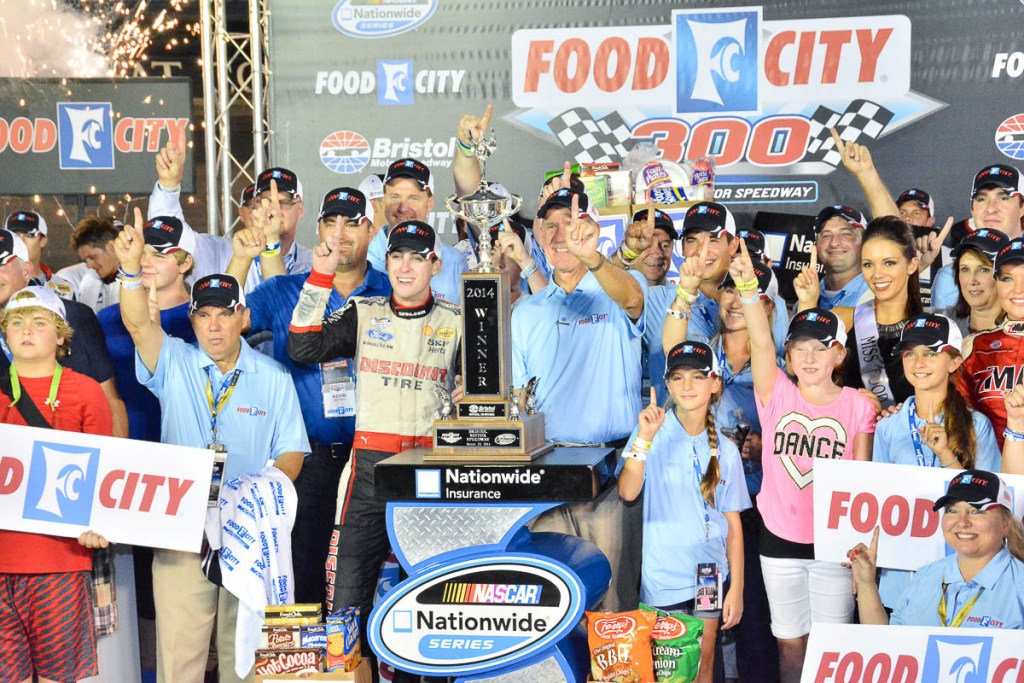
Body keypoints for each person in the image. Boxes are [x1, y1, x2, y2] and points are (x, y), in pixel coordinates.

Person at [115, 209, 308, 682]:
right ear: (193, 319)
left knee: (245, 661)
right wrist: (129, 272)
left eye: (225, 314)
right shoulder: (174, 361)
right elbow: (139, 325)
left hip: (248, 530)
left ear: (244, 317)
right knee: (180, 661)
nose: (214, 326)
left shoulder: (274, 377)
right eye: (204, 315)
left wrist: (261, 492)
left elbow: (292, 451)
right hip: (183, 529)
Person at [287, 220, 460, 676]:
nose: (405, 267)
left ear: (435, 265)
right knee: (346, 601)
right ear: (387, 262)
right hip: (370, 467)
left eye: (417, 258)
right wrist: (320, 277)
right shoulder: (363, 312)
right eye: (397, 256)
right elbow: (302, 348)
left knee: (432, 597)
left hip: (430, 468)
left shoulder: (457, 320)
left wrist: (470, 394)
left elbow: (483, 391)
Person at [228, 187, 391, 607]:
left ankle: (367, 649)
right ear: (317, 229)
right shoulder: (284, 290)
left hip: (376, 456)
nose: (340, 233)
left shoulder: (392, 290)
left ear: (371, 231)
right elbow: (226, 322)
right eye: (330, 222)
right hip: (307, 457)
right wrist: (242, 259)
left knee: (375, 572)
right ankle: (307, 651)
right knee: (302, 571)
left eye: (352, 223)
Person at [735, 238, 875, 683]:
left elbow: (863, 482)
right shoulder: (776, 393)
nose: (810, 356)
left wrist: (861, 552)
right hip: (779, 539)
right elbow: (760, 341)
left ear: (840, 354)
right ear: (789, 356)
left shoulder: (859, 405)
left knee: (831, 649)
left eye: (821, 347)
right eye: (800, 347)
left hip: (835, 544)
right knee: (790, 645)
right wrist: (747, 289)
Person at [511, 188, 646, 612]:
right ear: (538, 234)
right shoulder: (525, 312)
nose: (560, 235)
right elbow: (517, 401)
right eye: (549, 225)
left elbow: (633, 299)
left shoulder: (617, 288)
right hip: (544, 475)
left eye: (569, 224)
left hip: (610, 476)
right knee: (548, 607)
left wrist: (594, 259)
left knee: (615, 611)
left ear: (591, 230)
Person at [618, 342, 750, 683]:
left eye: (697, 376)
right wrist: (644, 438)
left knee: (704, 666)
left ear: (715, 383)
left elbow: (732, 524)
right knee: (669, 673)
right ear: (667, 385)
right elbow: (627, 491)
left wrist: (736, 588)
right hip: (663, 574)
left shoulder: (726, 449)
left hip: (709, 575)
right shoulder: (650, 434)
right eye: (677, 377)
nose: (687, 386)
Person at [0, 285, 113, 683]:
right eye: (17, 323)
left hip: (60, 562)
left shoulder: (85, 392)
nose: (26, 331)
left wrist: (103, 523)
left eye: (39, 322)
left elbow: (106, 475)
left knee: (56, 677)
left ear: (62, 336)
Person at [872, 313, 1001, 610]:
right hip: (900, 575)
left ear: (954, 362)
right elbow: (877, 500)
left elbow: (991, 506)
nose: (918, 363)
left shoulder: (977, 425)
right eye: (910, 354)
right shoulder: (888, 426)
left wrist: (946, 455)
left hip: (961, 572)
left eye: (931, 353)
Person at [849, 469, 1024, 628]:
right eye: (953, 511)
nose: (962, 522)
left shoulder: (1019, 587)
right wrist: (866, 583)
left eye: (976, 511)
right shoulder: (925, 576)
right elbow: (889, 644)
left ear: (1005, 524)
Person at [0, 229, 127, 438]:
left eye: (1, 264)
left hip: (73, 453)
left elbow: (110, 399)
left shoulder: (74, 316)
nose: (27, 330)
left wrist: (116, 455)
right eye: (17, 324)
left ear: (26, 270)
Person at [148, 136, 313, 292]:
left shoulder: (313, 262)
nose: (273, 210)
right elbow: (166, 234)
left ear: (301, 209)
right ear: (253, 208)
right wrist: (168, 185)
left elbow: (282, 306)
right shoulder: (217, 252)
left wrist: (271, 241)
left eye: (284, 202)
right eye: (265, 201)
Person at [802, 216, 923, 408]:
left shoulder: (929, 330)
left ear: (912, 264)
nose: (877, 274)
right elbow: (798, 367)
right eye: (868, 264)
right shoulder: (843, 319)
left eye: (889, 263)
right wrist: (807, 302)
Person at [365, 157, 469, 303]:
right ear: (384, 200)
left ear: (430, 203)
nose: (403, 208)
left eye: (413, 198)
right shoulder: (362, 258)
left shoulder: (454, 261)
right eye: (395, 197)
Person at [958, 237, 1024, 449]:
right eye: (1007, 279)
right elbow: (955, 418)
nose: (1018, 289)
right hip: (987, 465)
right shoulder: (973, 347)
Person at [930, 164, 1024, 308]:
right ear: (972, 209)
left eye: (1003, 198)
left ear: (1022, 207)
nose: (991, 209)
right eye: (981, 199)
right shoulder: (949, 277)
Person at [931, 228, 1007, 336]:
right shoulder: (941, 323)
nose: (972, 281)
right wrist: (918, 268)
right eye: (965, 269)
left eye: (983, 270)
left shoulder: (1018, 330)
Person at [811, 205, 871, 311]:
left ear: (865, 242)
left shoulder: (877, 292)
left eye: (846, 234)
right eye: (826, 235)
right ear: (816, 245)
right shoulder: (807, 295)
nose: (834, 243)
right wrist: (808, 303)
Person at [56, 216, 122, 313]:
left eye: (92, 257)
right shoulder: (89, 280)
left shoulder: (138, 279)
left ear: (111, 247)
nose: (90, 265)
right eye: (86, 260)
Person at [5, 210, 75, 299]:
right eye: (15, 236)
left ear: (43, 241)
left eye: (29, 235)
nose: (21, 242)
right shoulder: (2, 285)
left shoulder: (65, 288)